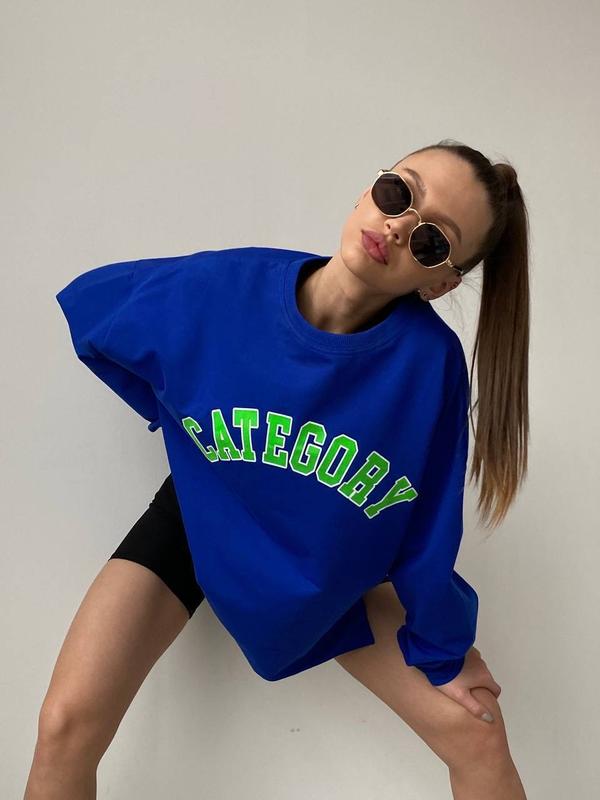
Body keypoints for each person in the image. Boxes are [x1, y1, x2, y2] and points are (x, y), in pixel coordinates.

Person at [24, 139, 530, 799]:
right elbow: (98, 310)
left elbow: (427, 533)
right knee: (64, 723)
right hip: (202, 520)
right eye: (398, 194)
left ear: (439, 282)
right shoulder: (228, 287)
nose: (398, 227)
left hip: (328, 561)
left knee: (478, 729)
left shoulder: (427, 367)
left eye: (432, 241)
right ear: (367, 189)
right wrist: (178, 417)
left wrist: (443, 649)